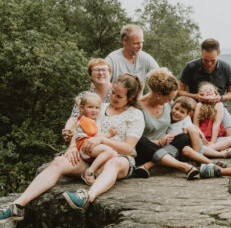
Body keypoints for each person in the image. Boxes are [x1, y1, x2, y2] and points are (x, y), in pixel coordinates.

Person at [0, 74, 145, 222]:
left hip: (117, 159)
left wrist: (101, 139)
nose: (113, 97)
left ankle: (87, 197)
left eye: (119, 96)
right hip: (89, 156)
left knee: (114, 163)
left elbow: (128, 148)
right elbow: (81, 127)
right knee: (59, 162)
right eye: (113, 92)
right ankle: (18, 205)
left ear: (131, 97)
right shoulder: (100, 107)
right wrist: (72, 147)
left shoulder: (136, 115)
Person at [133, 68, 200, 179]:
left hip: (167, 146)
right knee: (140, 141)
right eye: (170, 98)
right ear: (159, 94)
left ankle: (149, 165)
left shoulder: (168, 104)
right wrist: (158, 142)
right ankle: (183, 166)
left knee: (184, 137)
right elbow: (133, 137)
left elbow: (183, 116)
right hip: (145, 148)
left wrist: (192, 127)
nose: (171, 101)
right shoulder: (137, 107)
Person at [177, 38, 231, 150]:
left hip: (218, 106)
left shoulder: (226, 67)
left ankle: (209, 149)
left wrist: (220, 98)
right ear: (201, 53)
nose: (209, 64)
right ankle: (212, 147)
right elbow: (179, 91)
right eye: (205, 60)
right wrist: (195, 96)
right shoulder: (190, 67)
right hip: (196, 106)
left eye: (213, 60)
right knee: (188, 134)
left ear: (218, 53)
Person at [62, 58, 113, 143]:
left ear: (110, 73)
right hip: (87, 137)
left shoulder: (117, 94)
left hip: (109, 136)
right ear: (90, 75)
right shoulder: (84, 96)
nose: (100, 73)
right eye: (97, 70)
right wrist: (68, 130)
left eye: (104, 70)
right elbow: (74, 117)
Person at [73, 93, 118, 185]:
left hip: (88, 146)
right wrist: (109, 134)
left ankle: (97, 173)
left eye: (97, 108)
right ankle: (90, 171)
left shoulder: (91, 120)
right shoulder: (85, 120)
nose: (94, 110)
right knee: (108, 151)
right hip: (84, 146)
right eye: (90, 107)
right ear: (82, 108)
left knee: (113, 154)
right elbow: (95, 136)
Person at [105, 24, 159, 90]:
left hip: (138, 99)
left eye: (142, 42)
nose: (140, 46)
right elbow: (98, 85)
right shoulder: (111, 60)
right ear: (125, 41)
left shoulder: (146, 58)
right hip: (115, 99)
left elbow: (162, 79)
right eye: (136, 43)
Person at [193, 82, 231, 151]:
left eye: (210, 90)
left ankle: (208, 149)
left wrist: (213, 142)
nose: (208, 91)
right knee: (194, 140)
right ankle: (208, 149)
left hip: (216, 137)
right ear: (200, 94)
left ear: (215, 93)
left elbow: (216, 124)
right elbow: (195, 124)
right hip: (202, 137)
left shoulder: (219, 105)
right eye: (205, 90)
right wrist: (201, 136)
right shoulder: (199, 105)